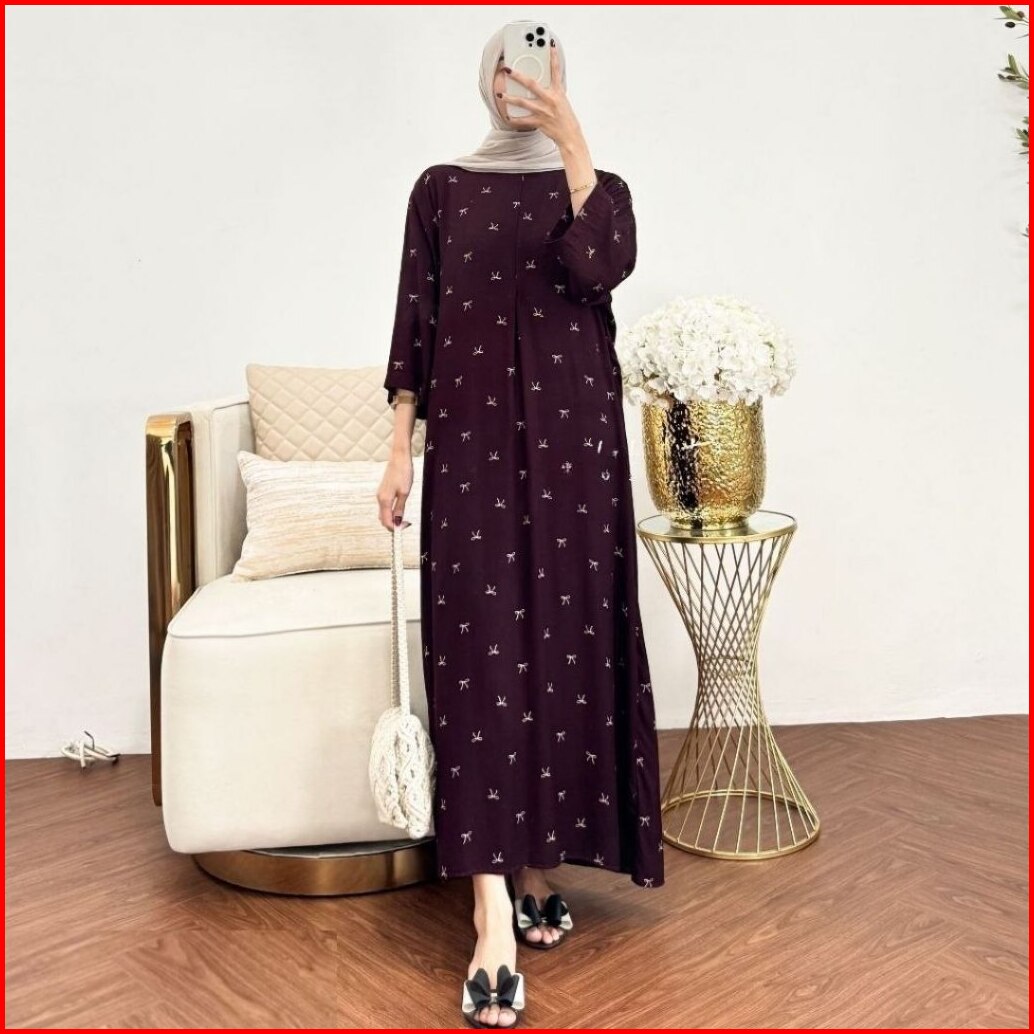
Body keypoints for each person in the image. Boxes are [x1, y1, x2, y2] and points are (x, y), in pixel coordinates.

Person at [376, 22, 664, 1029]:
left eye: (539, 66)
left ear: (561, 80)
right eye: (506, 63)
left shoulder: (598, 187)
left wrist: (573, 140)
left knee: (564, 647)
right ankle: (490, 910)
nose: (520, 80)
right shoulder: (440, 189)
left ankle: (538, 860)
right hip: (471, 451)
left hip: (577, 448)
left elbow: (599, 268)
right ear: (483, 79)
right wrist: (397, 448)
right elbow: (415, 320)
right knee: (482, 656)